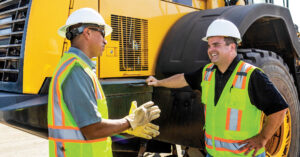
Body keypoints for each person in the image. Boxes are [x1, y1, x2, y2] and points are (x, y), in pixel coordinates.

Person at [146, 19, 288, 157]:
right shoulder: (207, 72)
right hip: (214, 154)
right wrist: (158, 83)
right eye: (209, 46)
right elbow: (183, 78)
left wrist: (263, 138)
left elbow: (279, 109)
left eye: (216, 45)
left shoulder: (251, 75)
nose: (210, 50)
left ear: (232, 47)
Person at [47, 8, 161, 157]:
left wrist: (124, 126)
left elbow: (89, 121)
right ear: (87, 32)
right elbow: (92, 129)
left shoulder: (80, 68)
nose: (106, 40)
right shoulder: (76, 71)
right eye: (102, 33)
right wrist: (129, 122)